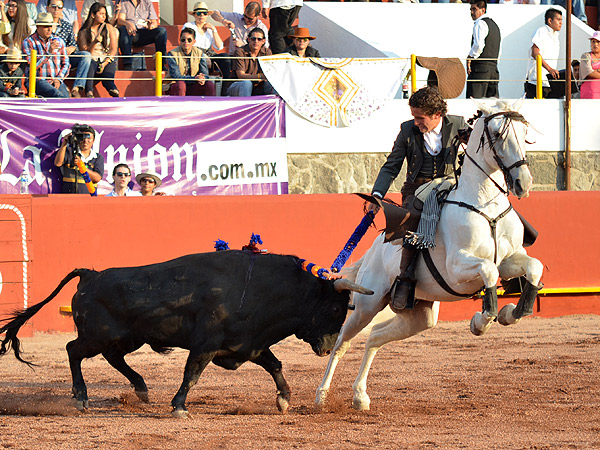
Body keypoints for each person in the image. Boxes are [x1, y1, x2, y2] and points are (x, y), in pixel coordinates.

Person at [369, 86, 466, 313]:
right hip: (416, 189)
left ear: (436, 115)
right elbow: (392, 166)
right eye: (414, 117)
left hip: (450, 187)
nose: (416, 122)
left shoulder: (459, 125)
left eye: (420, 118)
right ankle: (405, 277)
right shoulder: (407, 131)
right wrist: (377, 194)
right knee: (416, 216)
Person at [47, 0, 91, 98]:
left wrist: (71, 48)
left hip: (65, 57)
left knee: (86, 55)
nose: (56, 10)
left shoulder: (66, 25)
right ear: (47, 8)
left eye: (59, 7)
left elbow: (73, 44)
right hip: (48, 60)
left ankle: (76, 88)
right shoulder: (42, 26)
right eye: (53, 6)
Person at [22, 12, 70, 98]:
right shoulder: (29, 42)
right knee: (58, 95)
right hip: (36, 80)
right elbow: (31, 66)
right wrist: (48, 54)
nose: (49, 29)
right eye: (45, 26)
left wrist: (59, 79)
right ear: (38, 27)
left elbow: (66, 63)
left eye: (50, 26)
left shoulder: (59, 41)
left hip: (55, 79)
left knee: (66, 98)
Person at [77, 2, 119, 97]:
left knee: (108, 73)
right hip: (92, 58)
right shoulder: (84, 31)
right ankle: (89, 92)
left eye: (105, 14)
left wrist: (104, 63)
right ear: (93, 15)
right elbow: (86, 53)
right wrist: (94, 42)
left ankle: (113, 89)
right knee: (90, 63)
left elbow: (113, 49)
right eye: (101, 14)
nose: (104, 16)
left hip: (105, 59)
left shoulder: (109, 27)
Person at [117, 0, 167, 71]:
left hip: (143, 32)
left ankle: (161, 64)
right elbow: (120, 20)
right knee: (123, 30)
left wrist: (151, 26)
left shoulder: (147, 2)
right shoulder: (124, 2)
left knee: (162, 31)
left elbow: (154, 22)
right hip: (129, 32)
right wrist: (127, 24)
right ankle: (127, 64)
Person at [53, 124, 104, 194]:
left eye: (88, 137)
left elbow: (97, 178)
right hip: (68, 197)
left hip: (89, 199)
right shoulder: (69, 151)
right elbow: (58, 163)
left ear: (93, 140)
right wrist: (64, 143)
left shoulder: (97, 157)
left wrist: (81, 165)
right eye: (82, 137)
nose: (85, 140)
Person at [524, 8, 562, 99]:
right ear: (550, 20)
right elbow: (535, 52)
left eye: (561, 20)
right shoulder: (541, 31)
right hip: (536, 81)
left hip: (548, 82)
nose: (561, 23)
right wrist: (550, 69)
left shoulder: (556, 36)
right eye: (558, 20)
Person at [165, 27, 215, 96]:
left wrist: (202, 78)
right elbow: (176, 76)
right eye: (183, 40)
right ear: (180, 40)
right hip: (175, 85)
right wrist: (195, 79)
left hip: (194, 85)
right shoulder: (172, 54)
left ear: (194, 41)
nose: (186, 42)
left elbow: (205, 74)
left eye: (189, 40)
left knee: (209, 84)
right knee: (181, 84)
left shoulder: (200, 53)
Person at [466, 0, 501, 98]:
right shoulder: (495, 25)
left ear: (483, 10)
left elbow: (479, 45)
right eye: (470, 9)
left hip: (480, 69)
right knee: (492, 105)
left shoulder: (480, 23)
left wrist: (470, 57)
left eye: (474, 9)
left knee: (474, 103)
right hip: (493, 70)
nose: (472, 12)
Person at [227, 27, 274, 96]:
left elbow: (270, 74)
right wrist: (259, 76)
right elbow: (241, 76)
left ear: (263, 41)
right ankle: (245, 106)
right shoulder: (240, 52)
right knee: (246, 83)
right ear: (248, 39)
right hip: (237, 86)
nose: (256, 41)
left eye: (259, 39)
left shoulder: (267, 52)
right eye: (253, 39)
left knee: (273, 84)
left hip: (258, 86)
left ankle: (274, 106)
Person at [579, 31, 600, 99]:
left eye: (598, 42)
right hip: (589, 92)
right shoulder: (585, 56)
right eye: (593, 41)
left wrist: (595, 71)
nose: (595, 44)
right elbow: (589, 73)